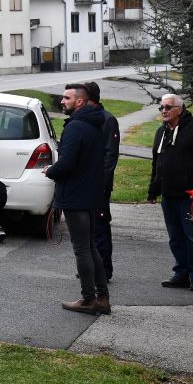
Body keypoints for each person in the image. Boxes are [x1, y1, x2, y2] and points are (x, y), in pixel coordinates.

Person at [44, 84, 109, 315]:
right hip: (89, 195)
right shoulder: (95, 124)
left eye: (66, 98)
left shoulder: (76, 128)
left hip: (76, 197)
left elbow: (68, 163)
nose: (62, 101)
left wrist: (51, 170)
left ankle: (89, 298)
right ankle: (101, 297)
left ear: (79, 101)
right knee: (90, 247)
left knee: (82, 249)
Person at [148, 94, 193, 291]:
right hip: (168, 194)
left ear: (179, 110)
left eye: (168, 107)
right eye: (161, 108)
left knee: (191, 236)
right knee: (175, 236)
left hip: (188, 196)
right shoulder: (161, 132)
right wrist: (153, 190)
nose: (164, 111)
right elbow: (157, 163)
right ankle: (180, 272)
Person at [84, 81, 120, 282]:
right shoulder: (86, 120)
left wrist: (99, 183)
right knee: (87, 229)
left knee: (100, 227)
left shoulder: (107, 120)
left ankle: (104, 269)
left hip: (98, 186)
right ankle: (90, 267)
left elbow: (110, 156)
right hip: (84, 185)